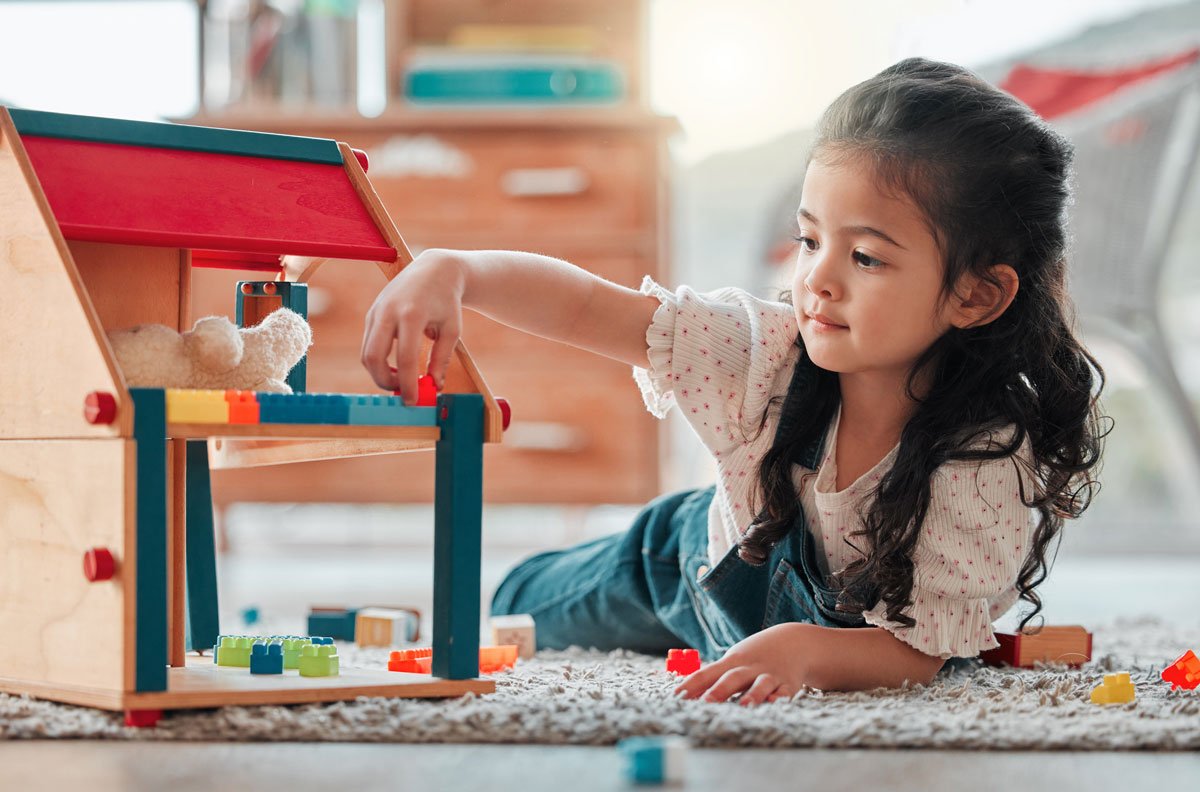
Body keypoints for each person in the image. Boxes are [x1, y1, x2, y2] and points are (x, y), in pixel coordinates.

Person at [359, 58, 1109, 703]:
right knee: (516, 608)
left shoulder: (984, 461)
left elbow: (918, 654)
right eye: (810, 240)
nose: (817, 280)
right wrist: (455, 270)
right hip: (681, 563)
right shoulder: (763, 351)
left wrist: (803, 651)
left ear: (976, 294)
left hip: (784, 622)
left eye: (868, 258)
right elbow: (591, 308)